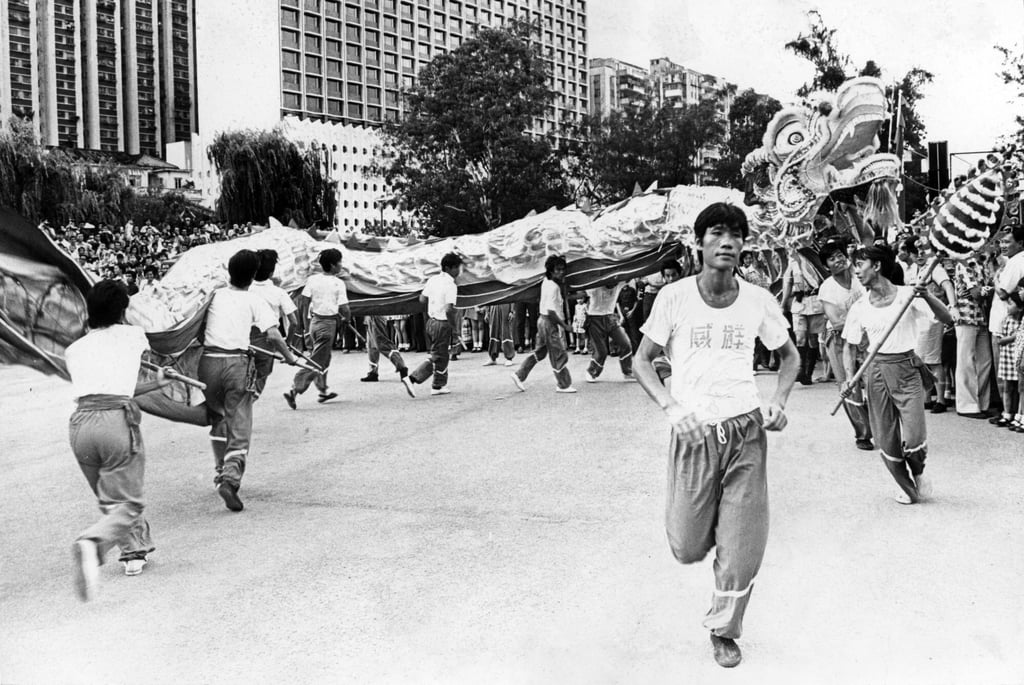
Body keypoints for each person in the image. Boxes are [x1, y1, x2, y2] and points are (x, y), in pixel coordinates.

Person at [633, 203, 798, 669]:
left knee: (742, 547)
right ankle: (713, 531)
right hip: (693, 434)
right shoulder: (674, 297)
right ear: (699, 243)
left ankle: (724, 629)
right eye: (718, 233)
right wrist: (670, 406)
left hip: (745, 430)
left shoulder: (758, 299)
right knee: (687, 545)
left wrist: (779, 401)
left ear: (745, 245)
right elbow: (642, 361)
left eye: (737, 235)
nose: (728, 242)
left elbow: (789, 358)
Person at [66, 280, 172, 601]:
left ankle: (133, 553)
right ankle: (93, 544)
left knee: (111, 499)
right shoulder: (133, 335)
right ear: (122, 311)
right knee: (129, 502)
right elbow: (153, 324)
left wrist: (154, 383)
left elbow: (114, 385)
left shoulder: (74, 349)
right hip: (114, 420)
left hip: (81, 425)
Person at [841, 245, 952, 505]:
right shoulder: (859, 306)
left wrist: (927, 296)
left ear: (877, 266)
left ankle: (919, 471)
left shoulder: (907, 295)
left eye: (861, 264)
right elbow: (849, 346)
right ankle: (907, 487)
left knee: (914, 436)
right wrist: (849, 378)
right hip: (876, 372)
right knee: (885, 439)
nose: (856, 271)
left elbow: (946, 318)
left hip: (906, 371)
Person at [200, 250, 297, 512]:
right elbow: (275, 336)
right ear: (253, 276)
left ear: (229, 271)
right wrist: (287, 357)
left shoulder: (213, 295)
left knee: (218, 418)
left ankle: (220, 468)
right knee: (239, 424)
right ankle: (230, 478)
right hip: (236, 364)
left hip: (208, 363)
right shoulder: (254, 300)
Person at [817, 239, 874, 450]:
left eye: (840, 255)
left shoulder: (860, 276)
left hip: (867, 336)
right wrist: (864, 318)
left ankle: (883, 428)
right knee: (849, 386)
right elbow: (836, 321)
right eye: (832, 258)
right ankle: (863, 434)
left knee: (875, 382)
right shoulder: (827, 289)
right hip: (840, 340)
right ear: (826, 266)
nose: (838, 260)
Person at [283, 249, 349, 409]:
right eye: (339, 262)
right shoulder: (338, 283)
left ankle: (323, 390)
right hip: (328, 326)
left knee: (323, 358)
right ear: (333, 265)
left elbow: (304, 301)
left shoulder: (312, 280)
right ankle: (294, 389)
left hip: (314, 323)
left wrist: (306, 323)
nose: (341, 265)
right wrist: (346, 318)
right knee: (317, 360)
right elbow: (345, 308)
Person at [511, 255, 577, 393]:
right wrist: (565, 326)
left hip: (542, 321)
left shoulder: (546, 281)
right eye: (557, 270)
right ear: (551, 271)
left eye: (562, 269)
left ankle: (519, 375)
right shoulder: (553, 287)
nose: (561, 272)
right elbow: (551, 311)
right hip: (548, 322)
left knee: (540, 352)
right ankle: (563, 384)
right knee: (559, 353)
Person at [906, 242, 956, 414]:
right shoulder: (912, 270)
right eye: (915, 252)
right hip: (917, 319)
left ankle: (941, 399)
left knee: (934, 360)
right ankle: (927, 397)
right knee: (921, 359)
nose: (919, 255)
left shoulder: (935, 268)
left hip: (933, 318)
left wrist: (953, 306)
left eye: (922, 252)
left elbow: (947, 286)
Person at [405, 253, 463, 396]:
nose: (459, 271)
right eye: (456, 268)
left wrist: (435, 302)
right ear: (449, 268)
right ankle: (412, 378)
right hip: (442, 323)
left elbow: (422, 299)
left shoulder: (433, 280)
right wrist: (455, 328)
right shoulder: (451, 285)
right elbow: (449, 309)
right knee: (437, 355)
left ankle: (438, 385)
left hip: (431, 321)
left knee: (442, 355)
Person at [250, 250, 297, 399]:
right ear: (271, 273)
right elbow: (294, 322)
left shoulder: (246, 290)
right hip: (266, 340)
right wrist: (287, 344)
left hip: (243, 338)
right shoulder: (278, 292)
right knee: (259, 381)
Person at [951, 254, 994, 418]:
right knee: (966, 361)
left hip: (980, 316)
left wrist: (986, 289)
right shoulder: (964, 264)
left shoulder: (983, 263)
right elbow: (977, 292)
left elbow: (981, 291)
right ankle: (967, 405)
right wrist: (994, 288)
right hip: (965, 316)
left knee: (985, 361)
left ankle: (981, 403)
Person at [988, 226, 1024, 413]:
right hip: (1008, 321)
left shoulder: (1017, 262)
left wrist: (995, 277)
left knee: (1006, 373)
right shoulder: (1013, 261)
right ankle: (1011, 412)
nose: (1003, 245)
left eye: (1008, 241)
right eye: (1002, 241)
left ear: (1020, 243)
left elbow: (1003, 292)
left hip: (1006, 323)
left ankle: (1007, 412)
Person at [781, 249, 826, 385]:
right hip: (799, 302)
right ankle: (800, 370)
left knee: (812, 339)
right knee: (800, 337)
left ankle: (808, 373)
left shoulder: (812, 258)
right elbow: (788, 283)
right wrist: (783, 304)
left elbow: (819, 279)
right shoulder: (792, 262)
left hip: (814, 301)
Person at [583, 280, 635, 383]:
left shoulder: (618, 283)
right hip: (595, 319)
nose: (613, 284)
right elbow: (583, 286)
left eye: (615, 282)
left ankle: (627, 372)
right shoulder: (595, 287)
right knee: (601, 351)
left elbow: (630, 275)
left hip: (611, 318)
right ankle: (591, 372)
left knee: (626, 343)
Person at [360, 314, 412, 391]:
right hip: (370, 315)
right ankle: (373, 372)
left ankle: (402, 367)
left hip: (376, 315)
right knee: (371, 345)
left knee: (382, 344)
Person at [994, 293, 1023, 428]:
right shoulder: (1006, 320)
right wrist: (1012, 337)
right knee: (1007, 386)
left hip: (1018, 357)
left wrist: (1012, 337)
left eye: (1011, 304)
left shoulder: (1021, 321)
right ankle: (1007, 413)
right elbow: (999, 339)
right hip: (1007, 357)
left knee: (1019, 387)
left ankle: (1018, 414)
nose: (1008, 307)